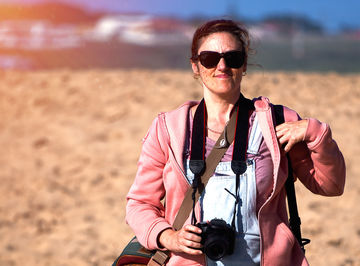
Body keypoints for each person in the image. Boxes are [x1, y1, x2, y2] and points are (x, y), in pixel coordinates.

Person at [125, 19, 345, 265]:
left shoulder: (277, 123)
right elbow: (140, 204)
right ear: (195, 66)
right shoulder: (168, 128)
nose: (221, 65)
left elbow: (330, 186)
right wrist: (168, 237)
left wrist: (317, 133)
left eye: (232, 58)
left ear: (244, 65)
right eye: (209, 58)